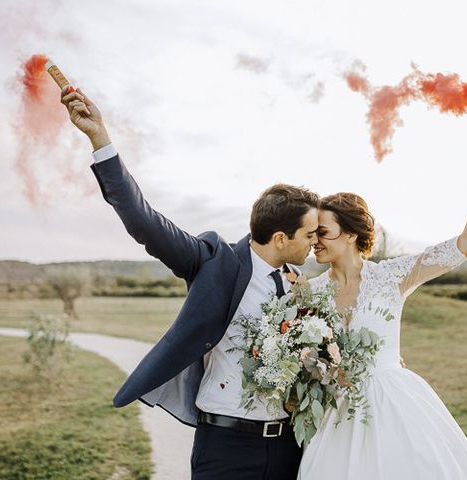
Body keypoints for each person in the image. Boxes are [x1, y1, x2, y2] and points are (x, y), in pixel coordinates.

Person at [60, 86, 319, 479]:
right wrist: (100, 139)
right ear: (281, 238)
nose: (315, 242)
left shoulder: (299, 281)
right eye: (309, 234)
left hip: (289, 446)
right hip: (226, 447)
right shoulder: (214, 261)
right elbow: (144, 220)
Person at [299, 120, 467, 479]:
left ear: (350, 235)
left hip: (397, 410)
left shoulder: (393, 276)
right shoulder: (307, 291)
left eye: (323, 233)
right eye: (312, 233)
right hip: (335, 421)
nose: (314, 240)